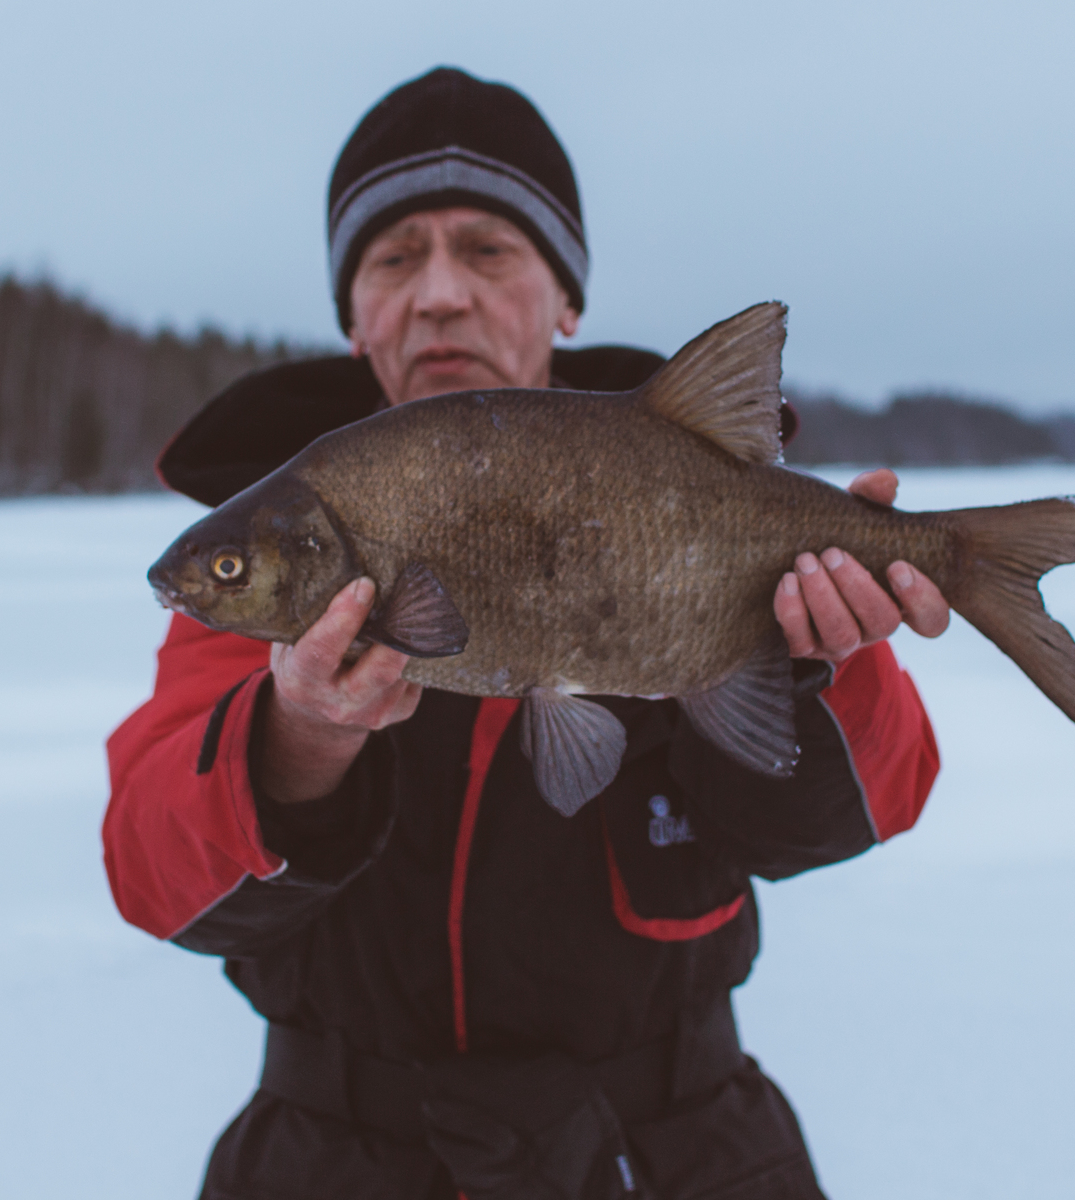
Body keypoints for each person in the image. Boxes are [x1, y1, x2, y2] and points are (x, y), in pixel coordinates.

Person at [104, 67, 950, 1200]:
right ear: (353, 313)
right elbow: (152, 876)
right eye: (394, 257)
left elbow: (866, 812)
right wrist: (298, 738)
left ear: (566, 298)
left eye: (488, 250)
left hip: (672, 1151)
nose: (439, 293)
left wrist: (818, 669)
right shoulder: (289, 532)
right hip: (333, 1156)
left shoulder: (699, 489)